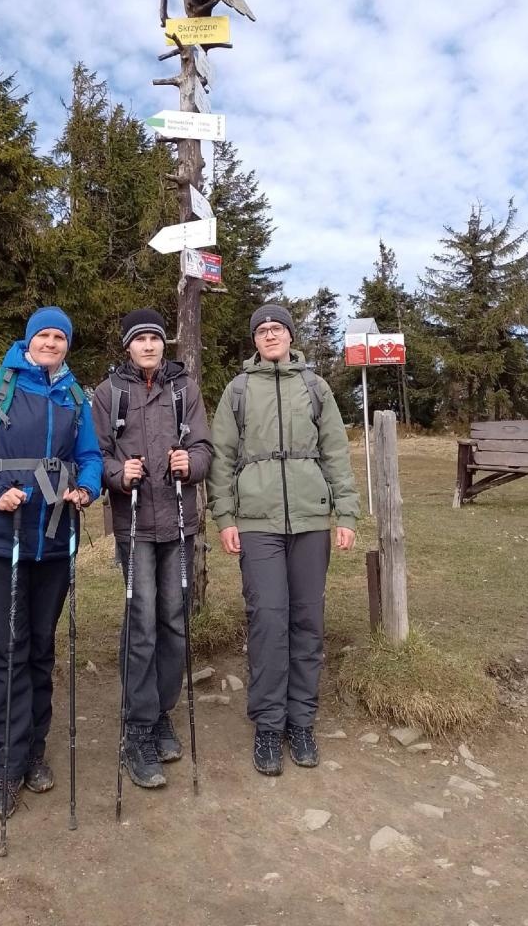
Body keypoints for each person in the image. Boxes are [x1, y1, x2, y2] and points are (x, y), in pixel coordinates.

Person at [0, 307, 103, 819]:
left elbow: (90, 457)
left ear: (67, 344)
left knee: (40, 648)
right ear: (29, 339)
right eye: (44, 334)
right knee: (8, 649)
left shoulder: (75, 396)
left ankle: (35, 750)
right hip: (0, 541)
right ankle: (8, 765)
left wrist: (87, 487)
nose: (51, 342)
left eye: (60, 336)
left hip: (54, 541)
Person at [206, 303, 358, 776]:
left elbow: (336, 452)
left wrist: (346, 512)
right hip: (257, 522)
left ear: (291, 336)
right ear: (254, 340)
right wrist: (224, 517)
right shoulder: (238, 390)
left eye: (277, 328)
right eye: (262, 330)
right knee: (268, 621)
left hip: (311, 520)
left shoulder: (315, 388)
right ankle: (269, 725)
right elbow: (221, 458)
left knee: (308, 621)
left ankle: (302, 721)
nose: (270, 335)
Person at [91, 309, 213, 789]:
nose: (148, 345)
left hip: (179, 523)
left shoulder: (184, 389)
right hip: (135, 525)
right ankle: (137, 727)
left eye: (155, 339)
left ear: (165, 345)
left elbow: (204, 448)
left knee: (174, 622)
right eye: (139, 339)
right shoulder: (109, 394)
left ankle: (161, 713)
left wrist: (191, 463)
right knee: (141, 625)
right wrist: (119, 475)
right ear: (127, 346)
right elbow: (96, 456)